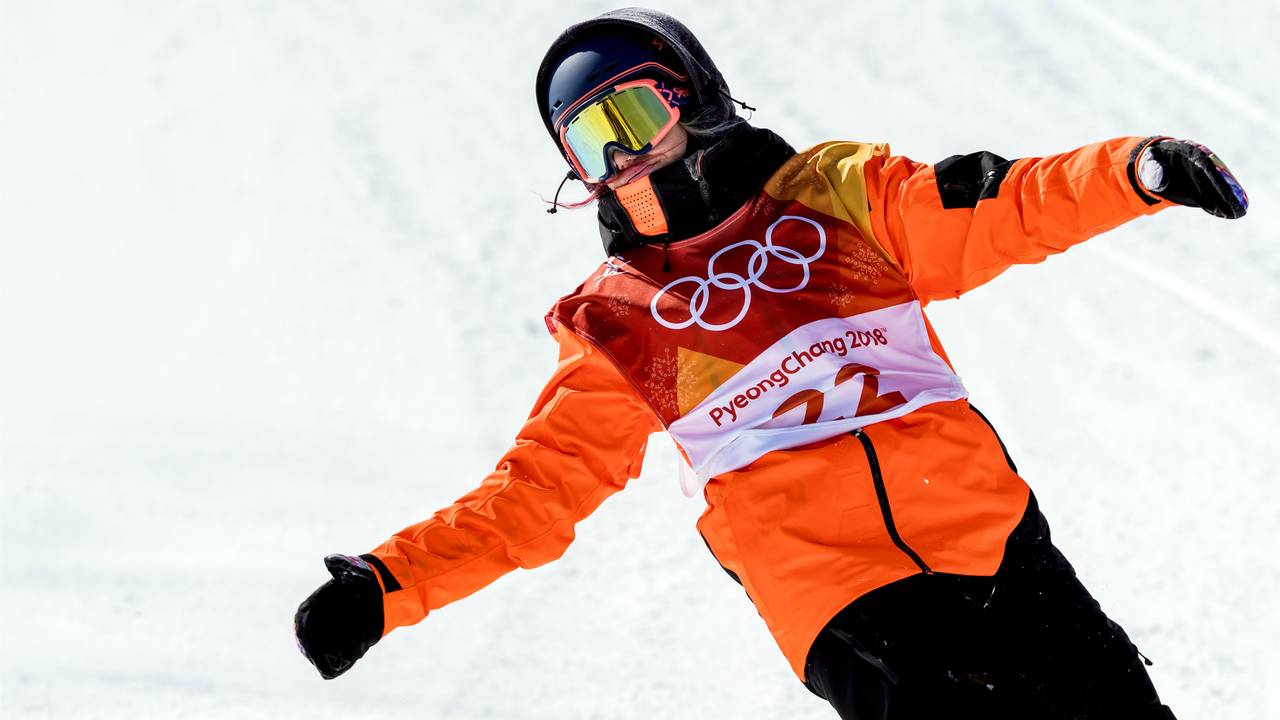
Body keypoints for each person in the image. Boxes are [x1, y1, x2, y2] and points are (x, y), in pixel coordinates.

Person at [293, 8, 1249, 718]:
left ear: (692, 98)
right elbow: (537, 490)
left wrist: (1136, 171)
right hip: (841, 597)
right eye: (589, 141)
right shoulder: (619, 320)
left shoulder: (835, 197)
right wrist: (386, 584)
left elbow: (995, 208)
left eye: (630, 112)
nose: (620, 156)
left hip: (990, 539)